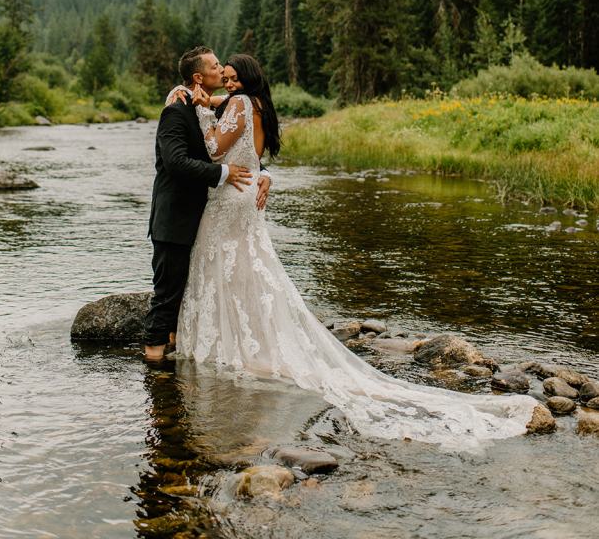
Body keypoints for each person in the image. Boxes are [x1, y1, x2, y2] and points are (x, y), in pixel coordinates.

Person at [175, 53, 540, 451]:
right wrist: (216, 115)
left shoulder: (240, 104)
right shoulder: (258, 103)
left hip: (231, 198)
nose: (226, 84)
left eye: (230, 78)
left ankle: (231, 341)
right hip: (247, 196)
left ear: (244, 79)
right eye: (222, 78)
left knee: (227, 265)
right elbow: (251, 150)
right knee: (249, 267)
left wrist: (202, 114)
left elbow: (213, 150)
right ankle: (250, 335)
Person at [142, 47, 270, 362]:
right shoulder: (176, 109)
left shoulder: (217, 106)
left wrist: (264, 173)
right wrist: (224, 173)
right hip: (175, 219)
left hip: (207, 216)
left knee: (195, 289)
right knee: (168, 295)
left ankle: (176, 355)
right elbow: (175, 163)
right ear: (200, 77)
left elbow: (240, 145)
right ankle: (154, 365)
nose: (222, 73)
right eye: (216, 67)